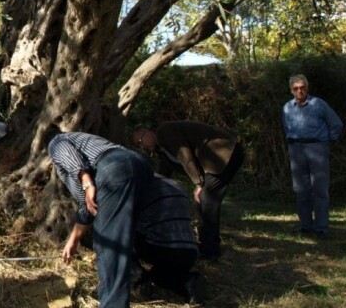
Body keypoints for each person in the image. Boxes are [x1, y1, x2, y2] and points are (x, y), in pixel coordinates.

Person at [48, 132, 154, 308]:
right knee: (126, 235)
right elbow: (87, 207)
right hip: (142, 167)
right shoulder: (91, 142)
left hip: (114, 169)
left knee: (109, 244)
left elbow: (66, 152)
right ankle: (141, 279)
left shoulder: (56, 140)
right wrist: (73, 241)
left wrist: (86, 181)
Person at [131, 121, 244, 259]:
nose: (142, 146)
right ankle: (207, 244)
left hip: (225, 152)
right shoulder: (161, 150)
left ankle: (210, 250)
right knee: (204, 200)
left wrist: (198, 184)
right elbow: (163, 173)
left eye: (141, 141)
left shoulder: (164, 133)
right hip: (219, 158)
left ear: (148, 132)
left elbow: (185, 156)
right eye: (139, 145)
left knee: (206, 199)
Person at [282, 74, 343, 235]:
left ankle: (321, 227)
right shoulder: (287, 107)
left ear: (307, 88)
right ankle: (305, 225)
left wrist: (327, 141)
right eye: (296, 88)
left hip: (317, 148)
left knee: (320, 188)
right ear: (291, 90)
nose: (299, 91)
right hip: (296, 149)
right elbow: (286, 126)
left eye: (302, 87)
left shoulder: (319, 104)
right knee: (301, 189)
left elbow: (336, 123)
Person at [134, 175, 201, 303]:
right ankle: (187, 282)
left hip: (160, 247)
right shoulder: (176, 184)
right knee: (161, 278)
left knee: (120, 233)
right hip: (189, 251)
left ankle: (138, 278)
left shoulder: (141, 184)